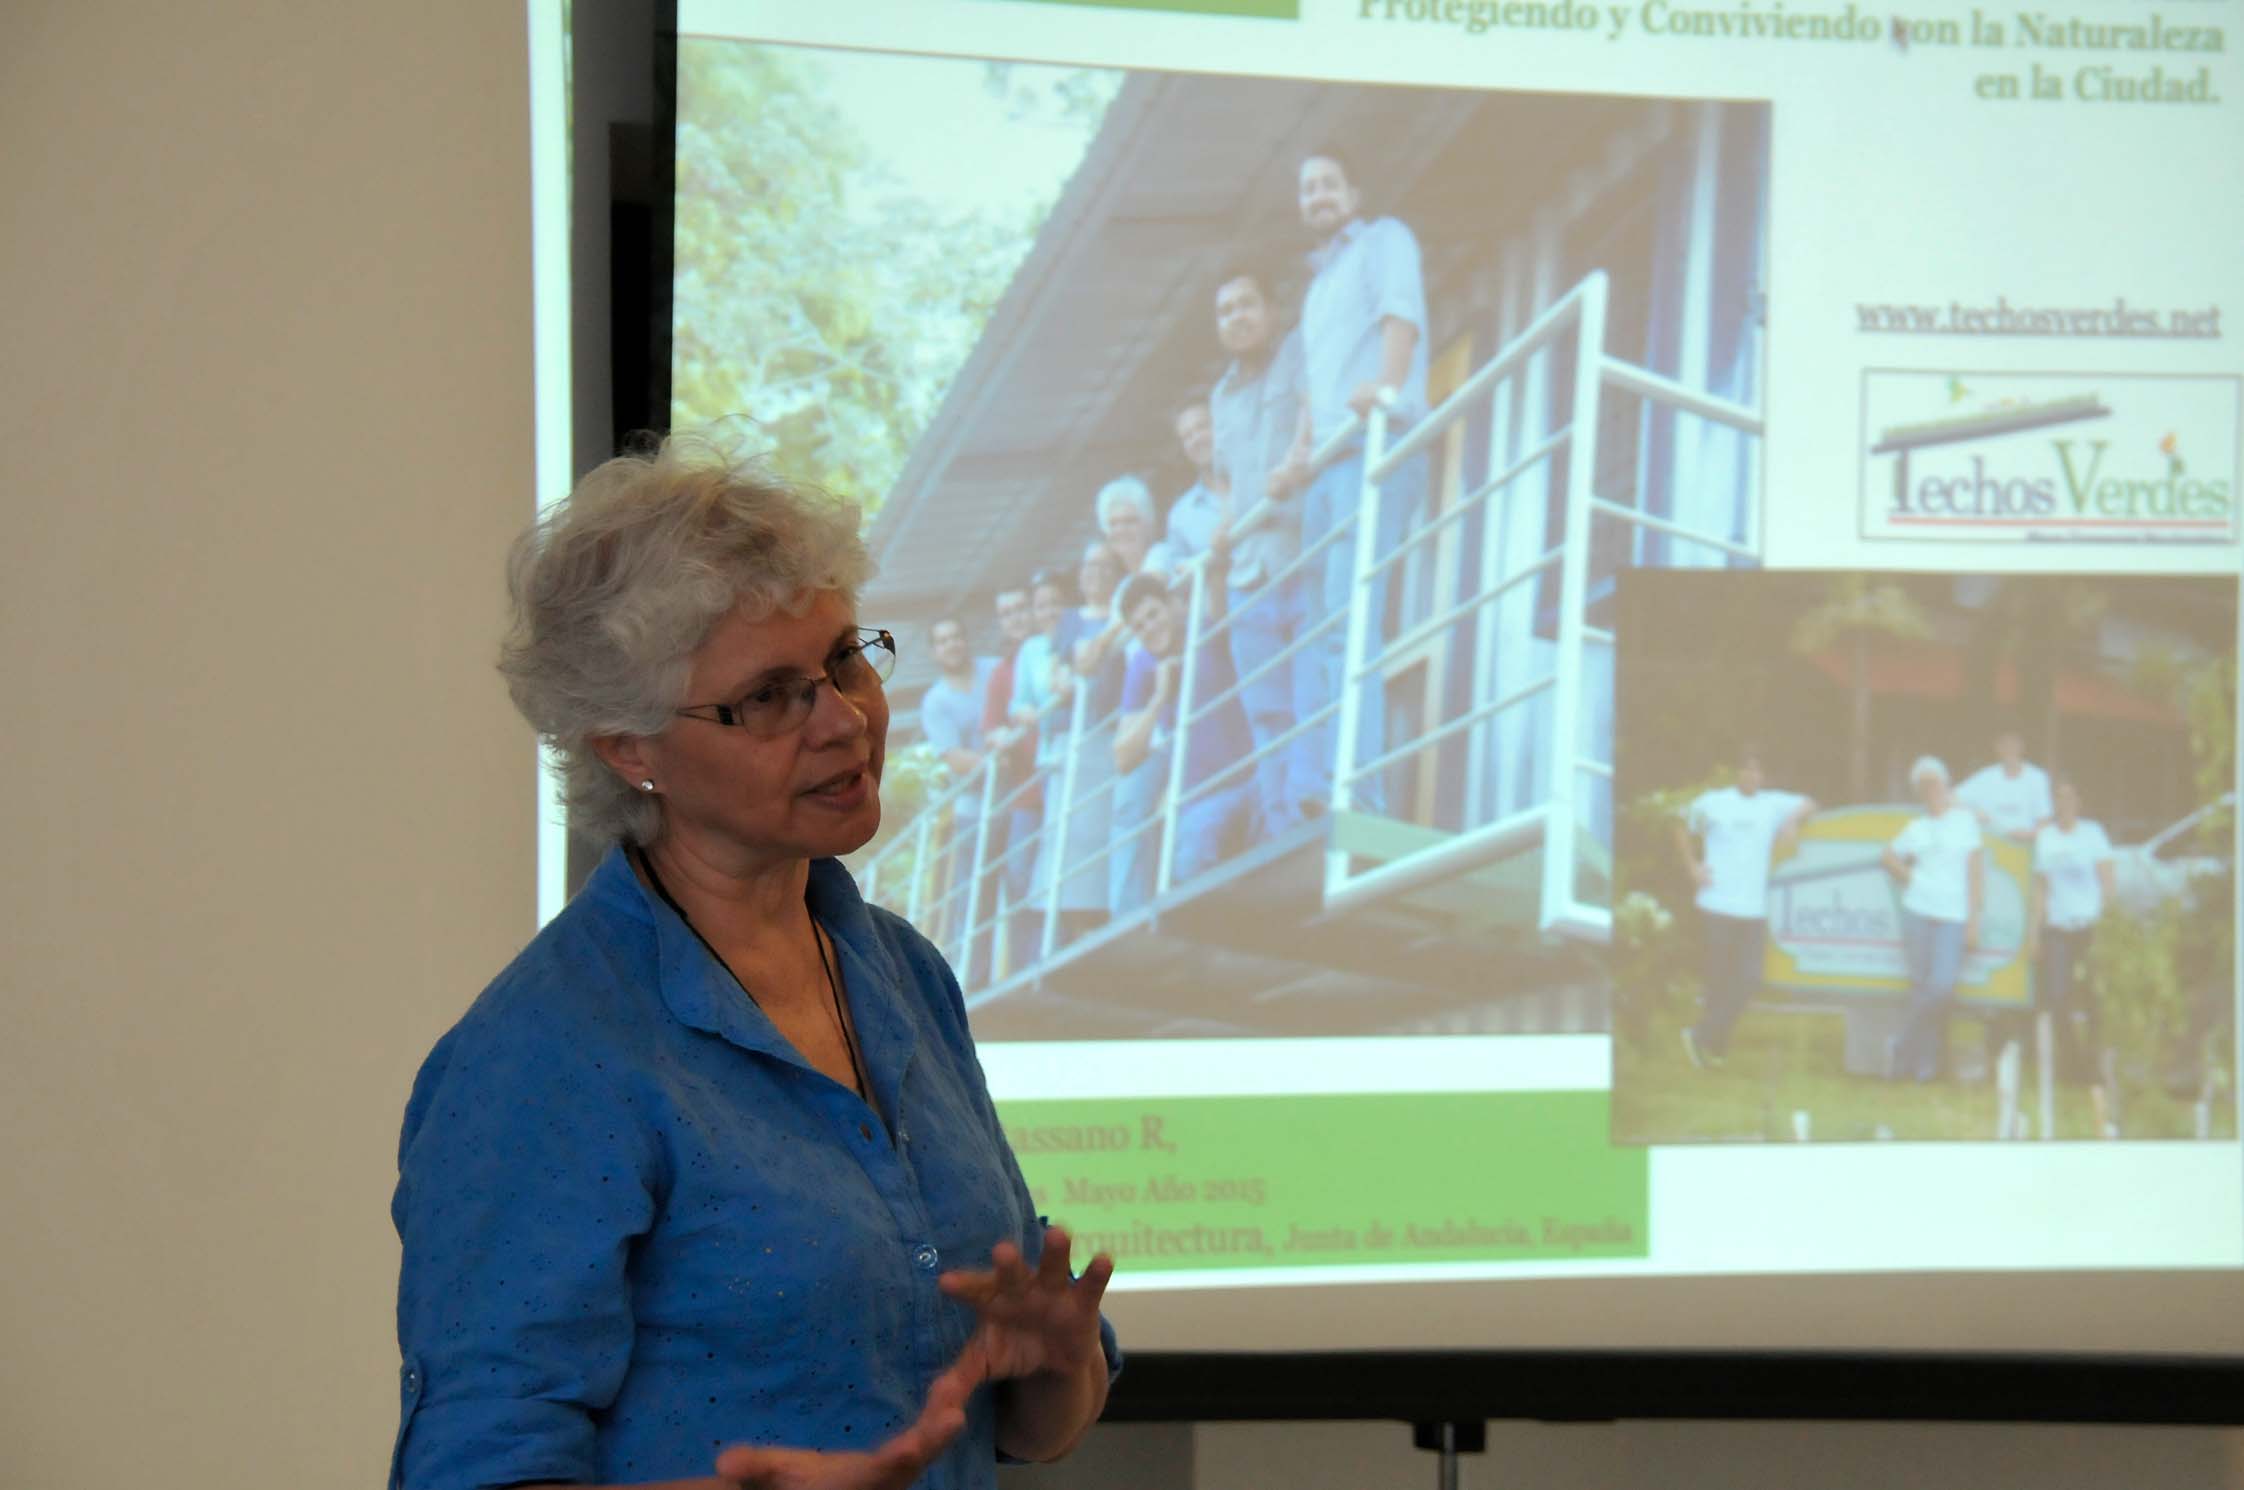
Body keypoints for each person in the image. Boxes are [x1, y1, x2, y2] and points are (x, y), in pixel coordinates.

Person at [392, 435, 1118, 1490]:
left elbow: (1019, 1426)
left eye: (846, 660)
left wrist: (1059, 1364)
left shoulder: (904, 972)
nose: (843, 720)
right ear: (628, 747)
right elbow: (473, 1469)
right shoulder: (543, 1058)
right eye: (770, 696)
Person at [1271, 146, 1431, 820]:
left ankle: (1359, 790)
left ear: (1354, 192)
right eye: (1308, 189)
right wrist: (1298, 453)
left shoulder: (1383, 239)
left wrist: (1389, 388)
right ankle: (1314, 786)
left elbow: (1402, 318)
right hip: (1330, 462)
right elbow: (1315, 386)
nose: (1318, 197)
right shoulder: (1314, 288)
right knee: (1321, 626)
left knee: (1352, 614)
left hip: (1377, 440)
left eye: (1329, 184)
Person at [1206, 265, 1309, 837]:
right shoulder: (1221, 396)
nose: (1236, 318)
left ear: (1271, 311)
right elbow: (1225, 481)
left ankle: (1309, 803)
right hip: (1248, 572)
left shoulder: (1297, 355)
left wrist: (1296, 461)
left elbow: (1317, 416)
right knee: (1266, 710)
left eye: (1246, 305)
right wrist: (1224, 529)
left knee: (1310, 690)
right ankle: (1281, 824)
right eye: (1225, 311)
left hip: (1300, 551)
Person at [1113, 569, 1258, 889]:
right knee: (1189, 864)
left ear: (1170, 606)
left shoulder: (1203, 631)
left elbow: (1220, 604)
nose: (1150, 628)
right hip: (1202, 800)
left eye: (1153, 614)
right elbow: (1123, 757)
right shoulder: (1143, 666)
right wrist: (1159, 698)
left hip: (1254, 777)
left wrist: (1216, 563)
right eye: (1139, 626)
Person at [1673, 747, 1817, 1068]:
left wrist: (1790, 822)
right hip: (1717, 904)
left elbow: (1810, 802)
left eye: (1757, 771)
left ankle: (1702, 1036)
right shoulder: (1714, 802)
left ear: (1763, 776)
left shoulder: (1772, 805)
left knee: (1750, 979)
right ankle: (1714, 1049)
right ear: (1736, 774)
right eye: (1745, 770)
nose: (1751, 776)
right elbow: (1680, 824)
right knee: (1719, 981)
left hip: (1753, 910)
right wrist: (1692, 867)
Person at [1008, 568, 1108, 951]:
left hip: (1089, 744)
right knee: (1063, 840)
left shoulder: (1082, 630)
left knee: (1087, 834)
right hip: (1054, 754)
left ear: (1065, 605)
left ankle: (1088, 922)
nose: (1047, 611)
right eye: (1040, 605)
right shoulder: (1031, 650)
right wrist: (1024, 715)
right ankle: (1064, 933)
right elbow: (1019, 702)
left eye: (1053, 603)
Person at [1881, 755, 1985, 1083]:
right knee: (1921, 989)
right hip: (1918, 912)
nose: (1932, 790)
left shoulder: (1965, 822)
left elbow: (1975, 873)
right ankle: (1920, 1069)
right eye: (1925, 785)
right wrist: (1909, 877)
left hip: (1953, 917)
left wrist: (1973, 920)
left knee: (1940, 988)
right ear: (1920, 792)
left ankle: (1900, 1045)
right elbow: (1887, 856)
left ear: (1946, 785)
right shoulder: (1916, 828)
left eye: (1936, 782)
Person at [2028, 774, 2121, 1132]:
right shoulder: (2046, 839)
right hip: (2058, 930)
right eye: (2058, 797)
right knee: (2057, 997)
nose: (2063, 803)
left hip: (2091, 928)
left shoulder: (2092, 834)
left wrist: (2111, 928)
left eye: (2069, 797)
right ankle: (2072, 1066)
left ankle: (2094, 1066)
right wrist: (2034, 934)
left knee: (2095, 1000)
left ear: (2078, 802)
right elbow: (2040, 889)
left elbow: (2108, 882)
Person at [918, 615, 998, 978]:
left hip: (1019, 800)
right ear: (935, 652)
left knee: (1017, 879)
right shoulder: (935, 701)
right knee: (973, 895)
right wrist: (1000, 762)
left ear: (966, 640)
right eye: (943, 640)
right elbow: (953, 757)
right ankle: (972, 976)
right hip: (974, 810)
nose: (952, 645)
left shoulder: (994, 671)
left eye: (956, 637)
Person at [980, 585, 1041, 977]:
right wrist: (1001, 738)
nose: (1016, 617)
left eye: (1021, 608)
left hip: (1065, 780)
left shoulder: (1055, 649)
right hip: (1027, 791)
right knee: (1019, 874)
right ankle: (1025, 965)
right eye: (1008, 612)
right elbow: (991, 728)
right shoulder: (1002, 673)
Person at [1161, 394, 1231, 564]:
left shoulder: (1255, 476)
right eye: (1187, 436)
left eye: (1202, 427)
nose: (1196, 439)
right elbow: (1182, 577)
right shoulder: (1180, 516)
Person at [1955, 727, 2054, 845]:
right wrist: (1973, 813)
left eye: (2013, 744)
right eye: (2004, 744)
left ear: (2021, 746)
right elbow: (1951, 799)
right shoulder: (1984, 777)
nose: (2009, 749)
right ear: (1997, 748)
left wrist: (2030, 835)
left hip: (2027, 849)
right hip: (1991, 850)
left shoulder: (2037, 777)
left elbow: (2045, 820)